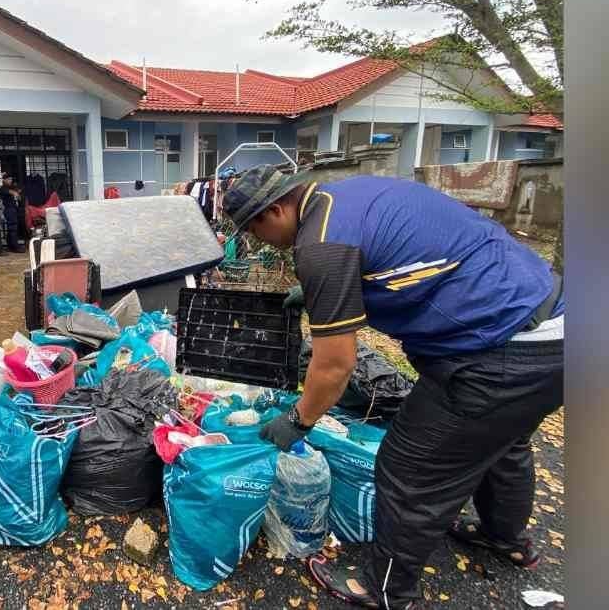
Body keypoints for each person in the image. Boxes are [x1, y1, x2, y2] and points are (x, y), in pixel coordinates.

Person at [222, 165, 563, 609]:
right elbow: (400, 257)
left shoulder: (320, 244)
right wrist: (326, 294)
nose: (263, 242)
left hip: (500, 351)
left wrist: (299, 419)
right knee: (502, 438)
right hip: (560, 326)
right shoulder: (354, 195)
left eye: (256, 230)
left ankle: (386, 589)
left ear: (275, 210)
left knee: (409, 469)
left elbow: (335, 365)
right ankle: (505, 538)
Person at [0, 172, 25, 253]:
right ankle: (15, 247)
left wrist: (18, 193)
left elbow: (18, 194)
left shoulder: (12, 187)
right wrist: (15, 192)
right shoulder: (3, 188)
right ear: (4, 180)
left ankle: (10, 245)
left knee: (12, 229)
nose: (10, 180)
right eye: (8, 179)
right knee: (13, 228)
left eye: (11, 179)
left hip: (14, 209)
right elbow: (10, 192)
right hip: (9, 210)